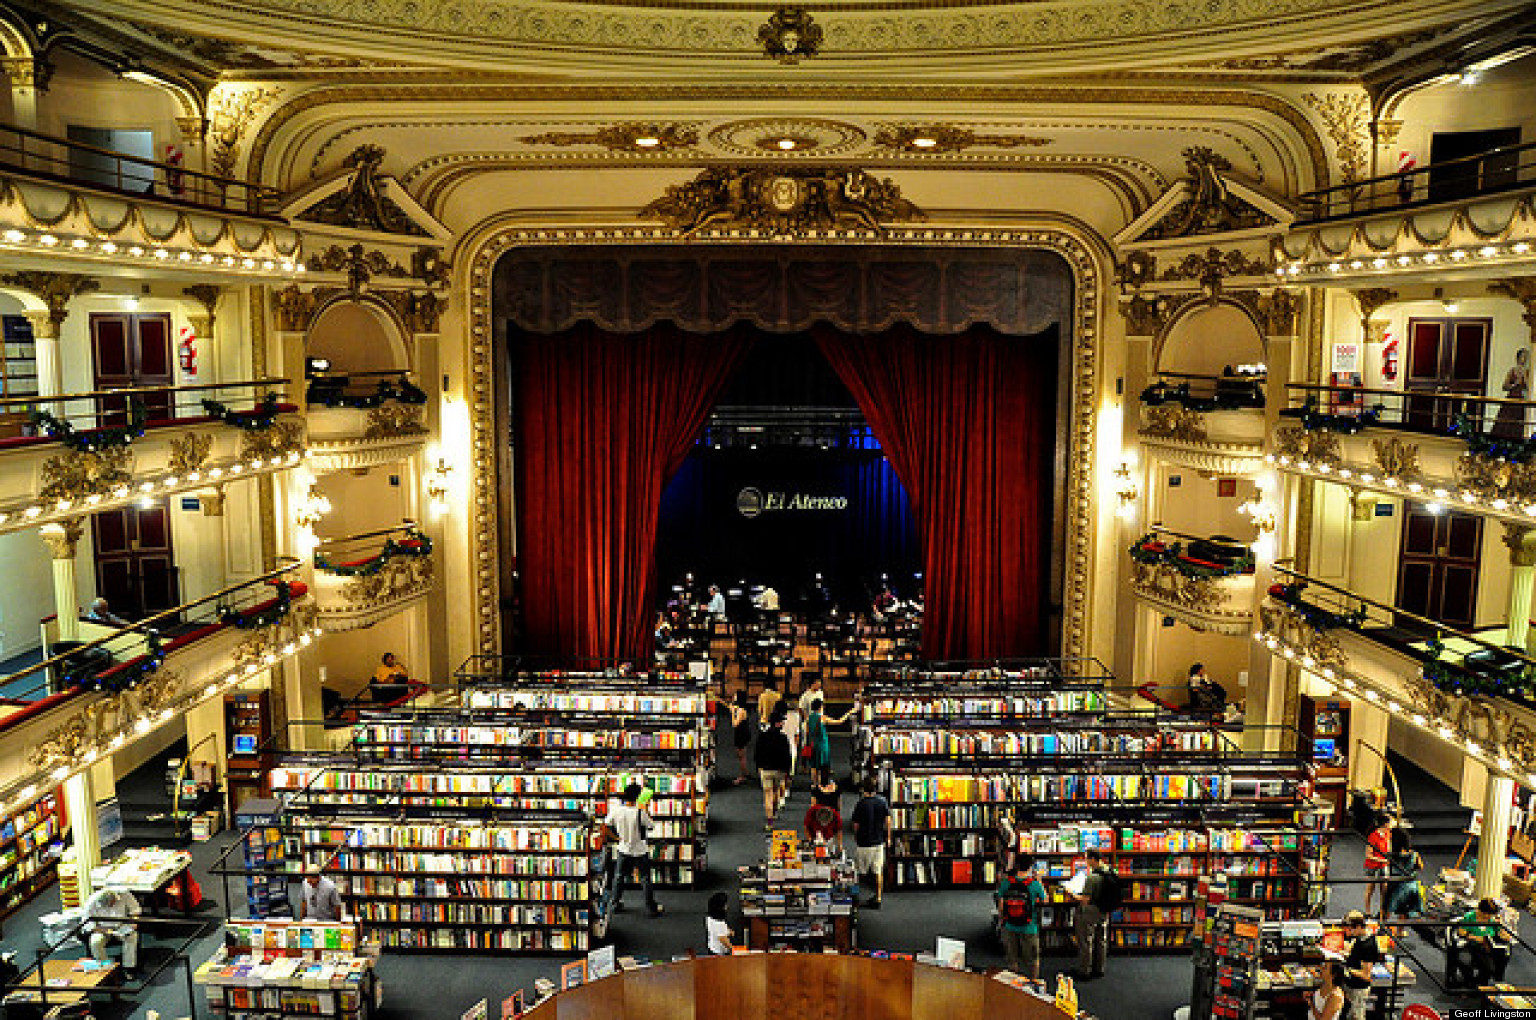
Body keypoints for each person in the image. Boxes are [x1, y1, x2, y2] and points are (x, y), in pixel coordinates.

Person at [600, 783, 663, 918]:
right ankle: (651, 907)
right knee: (645, 878)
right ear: (637, 796)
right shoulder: (640, 812)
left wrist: (616, 838)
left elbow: (604, 827)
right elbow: (651, 826)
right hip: (640, 849)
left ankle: (615, 903)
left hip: (624, 848)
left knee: (619, 877)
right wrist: (646, 809)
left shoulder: (616, 810)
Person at [995, 854, 1047, 981]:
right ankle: (1033, 982)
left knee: (1012, 958)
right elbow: (1045, 900)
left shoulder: (1007, 882)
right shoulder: (1034, 884)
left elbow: (1001, 905)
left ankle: (1014, 983)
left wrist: (1002, 920)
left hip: (1010, 925)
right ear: (1030, 867)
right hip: (1029, 927)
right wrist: (1040, 882)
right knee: (1033, 959)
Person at [849, 777, 891, 909]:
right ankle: (878, 898)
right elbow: (888, 820)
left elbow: (856, 824)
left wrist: (856, 836)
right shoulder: (883, 801)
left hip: (864, 842)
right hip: (878, 841)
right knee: (878, 871)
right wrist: (888, 837)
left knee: (859, 872)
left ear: (863, 789)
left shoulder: (861, 804)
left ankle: (857, 898)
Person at [1074, 848, 1113, 980]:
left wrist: (1072, 894)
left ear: (1092, 859)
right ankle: (1099, 968)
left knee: (1086, 940)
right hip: (1105, 909)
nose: (1086, 861)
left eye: (1087, 858)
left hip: (1091, 910)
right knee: (1101, 939)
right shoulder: (1109, 871)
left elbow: (1085, 900)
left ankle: (1085, 970)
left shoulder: (1092, 877)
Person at [1455, 897, 1511, 988]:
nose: (1489, 917)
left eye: (1490, 915)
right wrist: (1473, 937)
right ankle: (1470, 984)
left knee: (1494, 964)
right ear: (1480, 911)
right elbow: (1461, 932)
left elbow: (1503, 933)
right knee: (1466, 961)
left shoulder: (1493, 919)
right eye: (1487, 914)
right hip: (1471, 947)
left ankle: (1479, 984)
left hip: (1488, 948)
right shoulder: (1470, 917)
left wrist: (1504, 934)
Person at [84, 885, 140, 973]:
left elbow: (135, 910)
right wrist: (106, 931)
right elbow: (88, 925)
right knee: (95, 942)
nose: (112, 906)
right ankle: (106, 968)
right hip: (102, 929)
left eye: (113, 903)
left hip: (122, 925)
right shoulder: (91, 903)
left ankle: (129, 968)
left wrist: (134, 922)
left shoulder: (124, 893)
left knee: (132, 937)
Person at [805, 695, 858, 785]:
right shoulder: (822, 718)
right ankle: (821, 784)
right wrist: (849, 712)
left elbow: (807, 732)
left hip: (813, 743)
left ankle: (814, 784)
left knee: (814, 766)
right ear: (820, 707)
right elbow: (839, 721)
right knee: (822, 766)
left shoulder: (809, 718)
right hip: (822, 744)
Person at [1341, 909, 1383, 1017]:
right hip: (1350, 985)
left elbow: (1366, 975)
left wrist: (1346, 969)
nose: (1350, 933)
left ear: (1359, 926)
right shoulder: (1360, 938)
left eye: (1351, 929)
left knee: (1357, 1016)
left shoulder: (1368, 946)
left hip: (1358, 989)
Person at [753, 709, 792, 825]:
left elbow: (757, 753)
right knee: (776, 791)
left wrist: (759, 767)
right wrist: (788, 771)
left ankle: (769, 821)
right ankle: (774, 812)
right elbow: (787, 756)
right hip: (779, 770)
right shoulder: (783, 738)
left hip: (765, 769)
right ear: (777, 723)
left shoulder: (762, 736)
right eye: (782, 722)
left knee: (767, 793)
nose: (783, 724)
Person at [1383, 826, 1425, 926]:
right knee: (1403, 910)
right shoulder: (1414, 854)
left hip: (1395, 884)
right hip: (1410, 885)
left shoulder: (1391, 855)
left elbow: (1387, 867)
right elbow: (1421, 867)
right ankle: (1400, 931)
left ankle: (1383, 928)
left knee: (1387, 907)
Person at [1493, 347, 1531, 439]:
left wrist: (1525, 377)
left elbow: (1529, 387)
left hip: (1521, 398)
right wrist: (1514, 384)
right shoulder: (1512, 370)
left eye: (1526, 357)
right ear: (1518, 358)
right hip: (1511, 396)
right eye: (1522, 356)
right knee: (1506, 418)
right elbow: (1504, 386)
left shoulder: (1528, 372)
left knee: (1519, 421)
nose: (1524, 359)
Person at [1363, 811, 1393, 916]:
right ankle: (1367, 911)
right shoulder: (1373, 836)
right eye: (1390, 822)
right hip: (1372, 866)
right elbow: (1368, 855)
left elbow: (1388, 848)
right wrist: (1384, 860)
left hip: (1383, 866)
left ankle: (1382, 911)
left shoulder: (1388, 834)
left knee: (1384, 890)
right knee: (1370, 889)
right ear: (1385, 824)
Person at [730, 690, 754, 785]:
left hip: (741, 733)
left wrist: (732, 713)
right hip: (742, 732)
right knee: (741, 755)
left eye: (735, 695)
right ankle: (745, 772)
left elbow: (735, 724)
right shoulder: (740, 708)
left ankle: (742, 776)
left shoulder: (741, 710)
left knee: (741, 756)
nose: (733, 696)